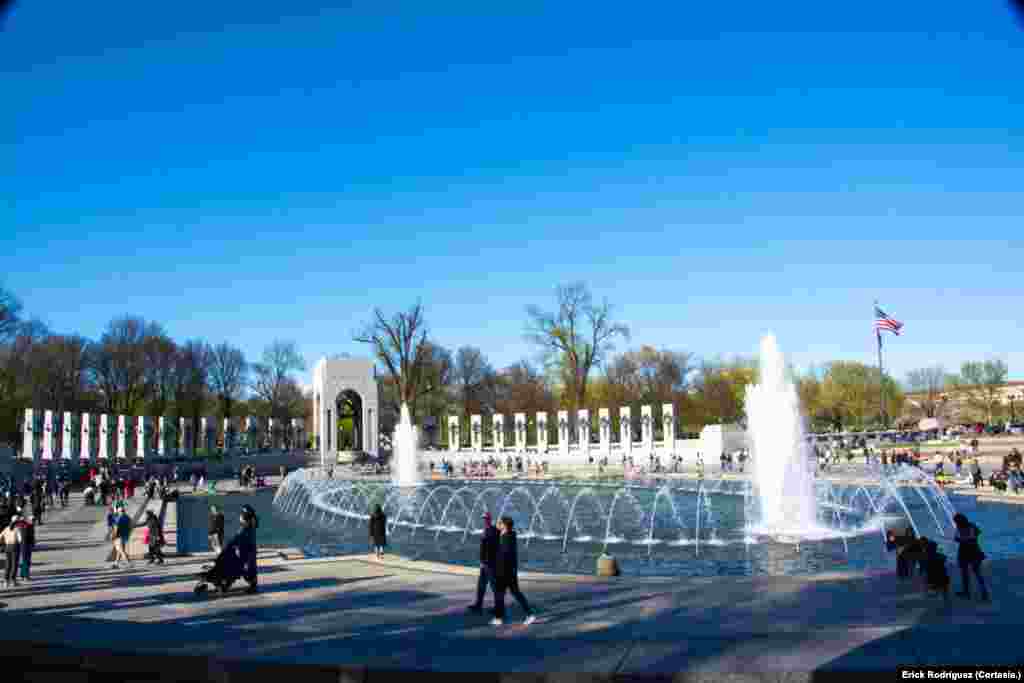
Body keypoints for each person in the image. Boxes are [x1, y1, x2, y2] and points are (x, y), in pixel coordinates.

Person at [491, 516, 536, 626]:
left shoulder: (506, 538)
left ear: (504, 525)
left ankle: (498, 618)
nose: (498, 524)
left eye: (500, 523)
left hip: (505, 572)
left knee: (499, 594)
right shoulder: (508, 535)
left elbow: (504, 556)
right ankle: (529, 614)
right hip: (509, 571)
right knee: (514, 593)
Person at [952, 513, 989, 601]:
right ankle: (982, 591)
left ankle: (969, 592)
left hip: (966, 551)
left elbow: (959, 538)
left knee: (967, 573)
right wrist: (966, 538)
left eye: (956, 521)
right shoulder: (970, 526)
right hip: (973, 550)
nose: (956, 523)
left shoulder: (963, 527)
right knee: (975, 573)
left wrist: (963, 539)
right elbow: (977, 534)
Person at [468, 512, 499, 615]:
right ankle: (478, 604)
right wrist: (482, 561)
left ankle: (498, 607)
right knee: (481, 585)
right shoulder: (485, 530)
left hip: (491, 563)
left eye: (486, 519)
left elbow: (495, 547)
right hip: (484, 563)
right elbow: (483, 547)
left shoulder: (494, 531)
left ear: (490, 519)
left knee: (494, 586)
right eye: (484, 519)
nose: (485, 520)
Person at [223, 504, 259, 594]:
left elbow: (238, 537)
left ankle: (228, 584)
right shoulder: (251, 524)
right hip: (249, 549)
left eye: (242, 515)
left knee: (240, 567)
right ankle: (229, 583)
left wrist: (230, 544)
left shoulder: (246, 527)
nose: (240, 516)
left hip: (246, 549)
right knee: (246, 568)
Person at [1, 514, 24, 588]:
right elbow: (20, 540)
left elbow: (0, 536)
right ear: (17, 521)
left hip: (7, 546)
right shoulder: (17, 529)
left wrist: (4, 542)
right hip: (15, 546)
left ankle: (5, 581)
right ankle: (13, 581)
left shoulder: (6, 528)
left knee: (8, 564)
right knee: (14, 564)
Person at [18, 514, 35, 583]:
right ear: (28, 520)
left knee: (25, 561)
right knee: (26, 561)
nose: (33, 521)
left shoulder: (29, 526)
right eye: (32, 520)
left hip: (25, 545)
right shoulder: (26, 526)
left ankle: (23, 575)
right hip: (25, 545)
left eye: (34, 520)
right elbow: (25, 537)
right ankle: (25, 576)